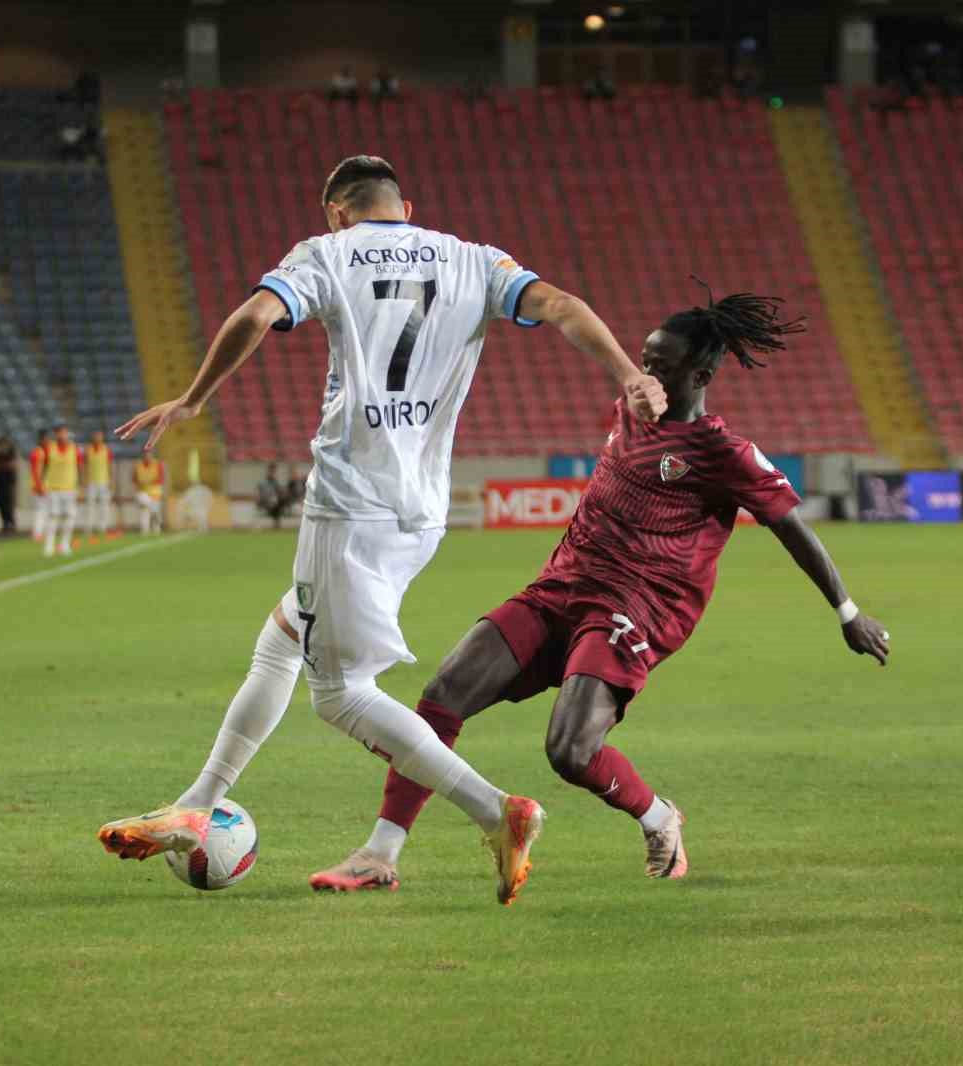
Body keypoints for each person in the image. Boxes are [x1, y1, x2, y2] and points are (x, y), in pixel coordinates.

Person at [103, 154, 667, 904]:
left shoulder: (326, 255)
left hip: (349, 502)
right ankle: (201, 801)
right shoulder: (471, 258)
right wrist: (629, 374)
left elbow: (255, 316)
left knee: (338, 692)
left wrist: (195, 397)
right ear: (406, 206)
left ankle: (497, 811)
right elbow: (561, 303)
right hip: (421, 510)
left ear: (336, 211)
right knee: (284, 634)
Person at [310, 291, 892, 892]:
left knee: (569, 751)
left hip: (633, 608)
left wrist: (848, 612)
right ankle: (381, 855)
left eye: (663, 367)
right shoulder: (631, 408)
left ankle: (659, 816)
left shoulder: (724, 453)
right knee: (443, 694)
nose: (648, 375)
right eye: (645, 360)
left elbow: (791, 527)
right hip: (561, 585)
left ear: (701, 376)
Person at [41, 423, 79, 558]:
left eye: (64, 432)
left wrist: (81, 487)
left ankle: (65, 544)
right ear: (56, 434)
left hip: (70, 488)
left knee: (70, 516)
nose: (62, 435)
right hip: (53, 488)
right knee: (53, 516)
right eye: (59, 433)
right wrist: (41, 484)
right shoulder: (48, 448)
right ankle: (49, 546)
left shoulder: (74, 448)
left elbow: (79, 467)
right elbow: (43, 467)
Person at [83, 429, 113, 543]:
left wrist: (111, 480)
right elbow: (85, 465)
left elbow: (109, 465)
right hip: (91, 481)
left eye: (99, 436)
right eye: (96, 436)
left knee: (104, 506)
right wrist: (84, 480)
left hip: (104, 481)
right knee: (90, 506)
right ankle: (88, 528)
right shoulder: (88, 450)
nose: (97, 438)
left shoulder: (106, 450)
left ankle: (102, 527)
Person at [132, 448, 166, 535]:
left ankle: (156, 529)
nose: (147, 456)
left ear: (152, 454)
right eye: (145, 454)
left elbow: (161, 479)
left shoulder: (158, 464)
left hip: (155, 492)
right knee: (145, 509)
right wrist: (139, 484)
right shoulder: (138, 465)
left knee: (154, 511)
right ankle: (144, 530)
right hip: (143, 492)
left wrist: (148, 481)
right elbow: (134, 479)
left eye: (149, 454)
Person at [28, 427, 51, 543]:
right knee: (41, 510)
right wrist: (40, 486)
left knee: (44, 510)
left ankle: (42, 533)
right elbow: (37, 471)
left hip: (38, 485)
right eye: (46, 439)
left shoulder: (37, 451)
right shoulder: (39, 452)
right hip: (39, 486)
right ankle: (38, 533)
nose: (48, 441)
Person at [0, 436, 18, 534]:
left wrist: (5, 466)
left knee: (9, 503)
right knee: (1, 503)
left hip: (9, 483)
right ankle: (5, 523)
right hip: (0, 482)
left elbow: (12, 465)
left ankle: (11, 523)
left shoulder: (11, 452)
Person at [255, 463, 285, 529]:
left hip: (275, 505)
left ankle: (276, 525)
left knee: (279, 503)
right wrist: (259, 499)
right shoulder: (262, 483)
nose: (272, 474)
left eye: (274, 472)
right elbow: (258, 494)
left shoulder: (276, 483)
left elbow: (281, 493)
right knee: (274, 504)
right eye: (271, 471)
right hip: (265, 503)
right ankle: (276, 524)